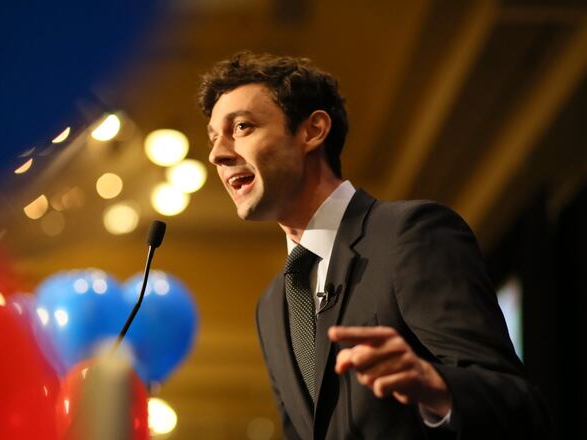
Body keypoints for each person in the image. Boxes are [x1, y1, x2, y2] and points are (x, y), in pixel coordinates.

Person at [197, 52, 549, 439]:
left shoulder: (410, 235)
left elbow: (519, 407)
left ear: (313, 131)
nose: (217, 154)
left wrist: (437, 387)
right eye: (214, 138)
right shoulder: (272, 303)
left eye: (242, 127)